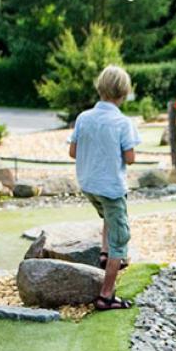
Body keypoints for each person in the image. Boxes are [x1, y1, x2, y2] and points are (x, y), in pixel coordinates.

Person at [69, 65, 140, 310]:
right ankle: (106, 295)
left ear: (100, 87)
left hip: (88, 185)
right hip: (110, 187)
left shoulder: (83, 117)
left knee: (108, 215)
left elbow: (72, 152)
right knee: (122, 237)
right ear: (123, 93)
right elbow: (130, 158)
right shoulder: (122, 122)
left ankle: (104, 252)